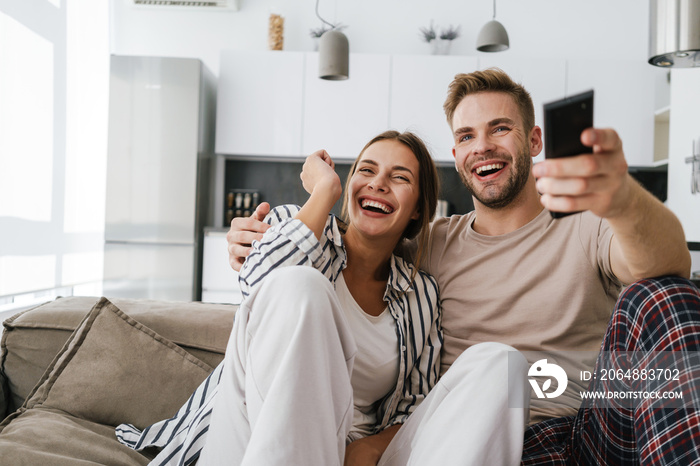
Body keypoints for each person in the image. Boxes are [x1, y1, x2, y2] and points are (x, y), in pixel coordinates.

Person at [228, 68, 700, 465]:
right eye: (466, 136)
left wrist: (622, 200)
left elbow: (669, 262)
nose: (483, 146)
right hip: (481, 438)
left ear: (534, 139)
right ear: (455, 156)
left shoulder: (586, 225)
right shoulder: (431, 242)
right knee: (497, 364)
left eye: (500, 128)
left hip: (590, 429)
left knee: (662, 293)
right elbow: (346, 252)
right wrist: (257, 240)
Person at [116, 130, 531, 466]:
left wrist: (370, 447)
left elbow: (413, 405)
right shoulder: (297, 227)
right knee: (302, 286)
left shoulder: (421, 294)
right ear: (348, 188)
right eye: (366, 170)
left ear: (419, 210)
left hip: (357, 453)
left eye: (400, 177)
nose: (379, 183)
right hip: (251, 434)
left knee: (501, 362)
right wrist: (323, 191)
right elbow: (257, 284)